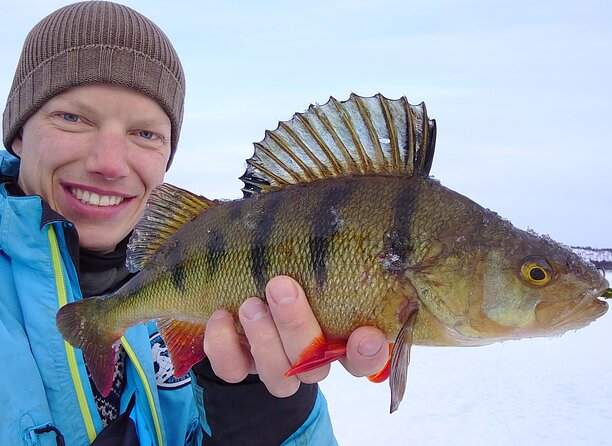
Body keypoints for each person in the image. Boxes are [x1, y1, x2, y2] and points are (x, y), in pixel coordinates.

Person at [0, 2, 389, 445]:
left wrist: (263, 414)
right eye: (72, 118)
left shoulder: (192, 289)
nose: (109, 163)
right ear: (17, 132)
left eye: (145, 133)